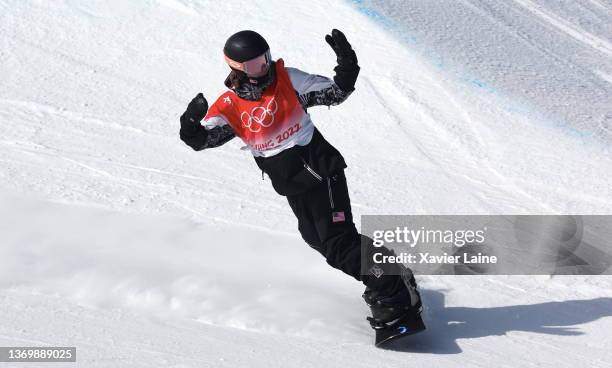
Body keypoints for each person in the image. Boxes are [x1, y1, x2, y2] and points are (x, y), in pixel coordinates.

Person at [179, 29, 423, 333]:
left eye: (265, 59)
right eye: (255, 65)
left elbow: (336, 92)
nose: (264, 68)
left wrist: (347, 67)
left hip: (322, 169)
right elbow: (203, 140)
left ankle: (393, 293)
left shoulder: (288, 80)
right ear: (237, 69)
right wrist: (190, 126)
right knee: (318, 240)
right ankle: (392, 273)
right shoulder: (229, 106)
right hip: (293, 185)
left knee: (339, 243)